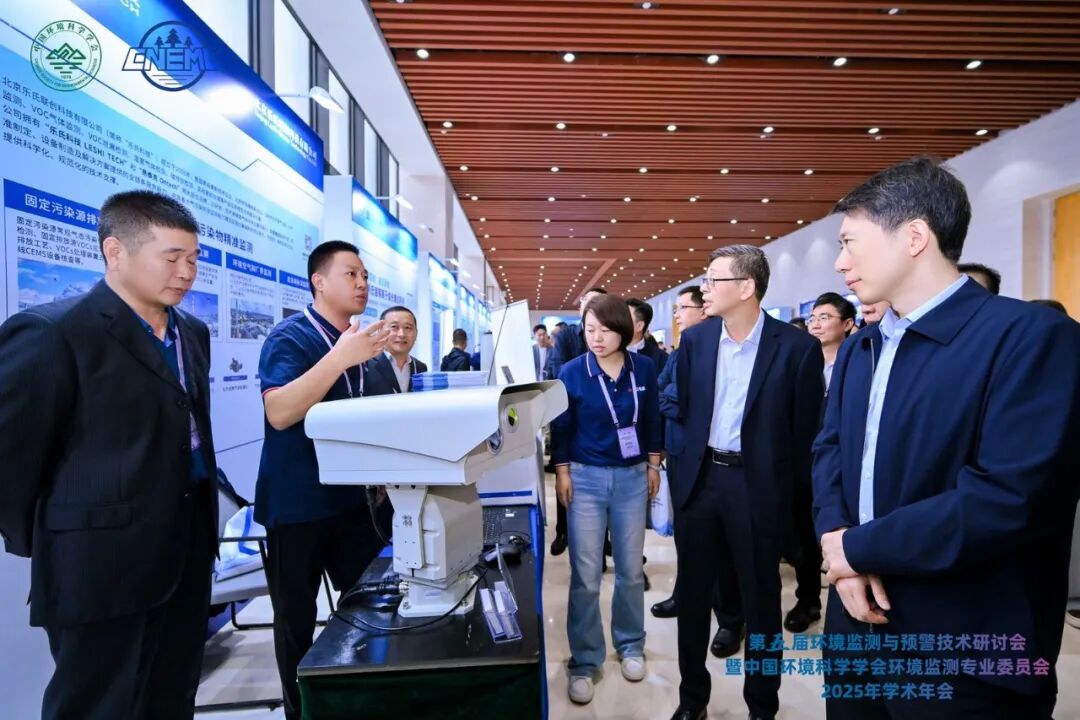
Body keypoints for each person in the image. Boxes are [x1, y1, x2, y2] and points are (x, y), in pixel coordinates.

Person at [814, 156, 1080, 719]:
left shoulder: (1030, 338)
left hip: (966, 646)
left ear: (914, 237)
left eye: (850, 243)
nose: (840, 263)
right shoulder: (863, 348)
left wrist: (856, 549)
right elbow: (830, 451)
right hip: (855, 621)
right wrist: (838, 544)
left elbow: (1009, 498)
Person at [0, 191, 217, 720]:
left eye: (193, 259)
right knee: (98, 703)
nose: (186, 273)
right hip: (100, 565)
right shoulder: (54, 331)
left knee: (173, 693)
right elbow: (11, 454)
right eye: (172, 258)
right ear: (115, 251)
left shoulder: (191, 332)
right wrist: (52, 542)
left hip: (186, 548)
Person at [669, 244, 824, 720]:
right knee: (693, 598)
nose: (704, 289)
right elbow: (681, 408)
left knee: (761, 603)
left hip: (757, 488)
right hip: (700, 483)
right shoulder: (696, 341)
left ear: (746, 287)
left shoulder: (796, 348)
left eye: (713, 279)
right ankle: (692, 700)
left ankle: (762, 706)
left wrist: (793, 508)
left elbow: (805, 435)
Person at [257, 240, 390, 720]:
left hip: (353, 505)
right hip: (298, 507)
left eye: (365, 275)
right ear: (319, 281)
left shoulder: (366, 348)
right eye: (351, 274)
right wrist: (339, 358)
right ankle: (301, 712)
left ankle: (362, 701)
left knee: (370, 610)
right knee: (296, 621)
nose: (362, 283)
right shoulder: (291, 338)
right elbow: (279, 411)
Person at [550, 293, 662, 706]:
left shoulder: (643, 368)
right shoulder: (572, 372)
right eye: (589, 330)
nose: (596, 338)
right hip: (586, 478)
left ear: (624, 331)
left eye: (605, 330)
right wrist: (562, 472)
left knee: (630, 570)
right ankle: (584, 660)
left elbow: (652, 419)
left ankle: (630, 645)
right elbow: (561, 427)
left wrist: (653, 465)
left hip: (632, 478)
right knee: (585, 574)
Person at [781, 291, 857, 635]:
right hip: (800, 462)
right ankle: (808, 600)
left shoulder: (857, 362)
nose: (815, 323)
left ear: (848, 324)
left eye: (825, 317)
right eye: (813, 317)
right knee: (802, 536)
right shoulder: (798, 361)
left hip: (843, 465)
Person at [548, 288, 608, 556]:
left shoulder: (610, 335)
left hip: (602, 420)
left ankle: (604, 538)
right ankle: (563, 531)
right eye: (586, 301)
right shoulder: (566, 335)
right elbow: (559, 373)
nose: (590, 305)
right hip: (569, 414)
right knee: (565, 475)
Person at [365, 305, 428, 394]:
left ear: (416, 333)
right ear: (380, 331)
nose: (401, 334)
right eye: (394, 327)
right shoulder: (366, 365)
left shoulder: (421, 368)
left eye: (407, 328)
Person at [626, 297, 669, 374]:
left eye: (625, 317)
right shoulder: (609, 352)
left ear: (639, 326)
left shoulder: (660, 359)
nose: (619, 320)